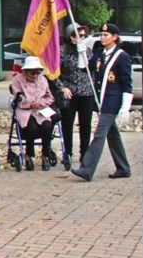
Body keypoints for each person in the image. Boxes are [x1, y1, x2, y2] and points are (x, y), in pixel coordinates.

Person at [71, 23, 133, 182]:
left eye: (106, 35)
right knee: (113, 136)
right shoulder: (99, 53)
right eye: (101, 35)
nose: (102, 37)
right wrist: (81, 53)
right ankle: (123, 168)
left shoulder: (122, 57)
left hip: (113, 102)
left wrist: (125, 108)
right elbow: (85, 68)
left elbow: (127, 83)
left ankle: (87, 169)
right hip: (102, 100)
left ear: (115, 37)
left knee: (99, 135)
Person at [53, 23, 95, 164]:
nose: (81, 38)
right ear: (71, 37)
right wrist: (62, 87)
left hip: (86, 92)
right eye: (78, 35)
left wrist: (84, 56)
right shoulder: (62, 51)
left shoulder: (87, 51)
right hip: (69, 92)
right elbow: (54, 74)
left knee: (85, 124)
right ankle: (68, 152)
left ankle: (85, 153)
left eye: (83, 35)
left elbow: (92, 72)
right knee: (67, 123)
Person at [9, 56, 58, 171]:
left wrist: (44, 103)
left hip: (41, 109)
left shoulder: (42, 79)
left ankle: (45, 155)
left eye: (37, 72)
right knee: (31, 128)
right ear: (25, 71)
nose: (35, 75)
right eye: (32, 72)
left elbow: (49, 96)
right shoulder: (17, 80)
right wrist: (29, 103)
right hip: (25, 109)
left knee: (47, 125)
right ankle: (28, 154)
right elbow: (17, 97)